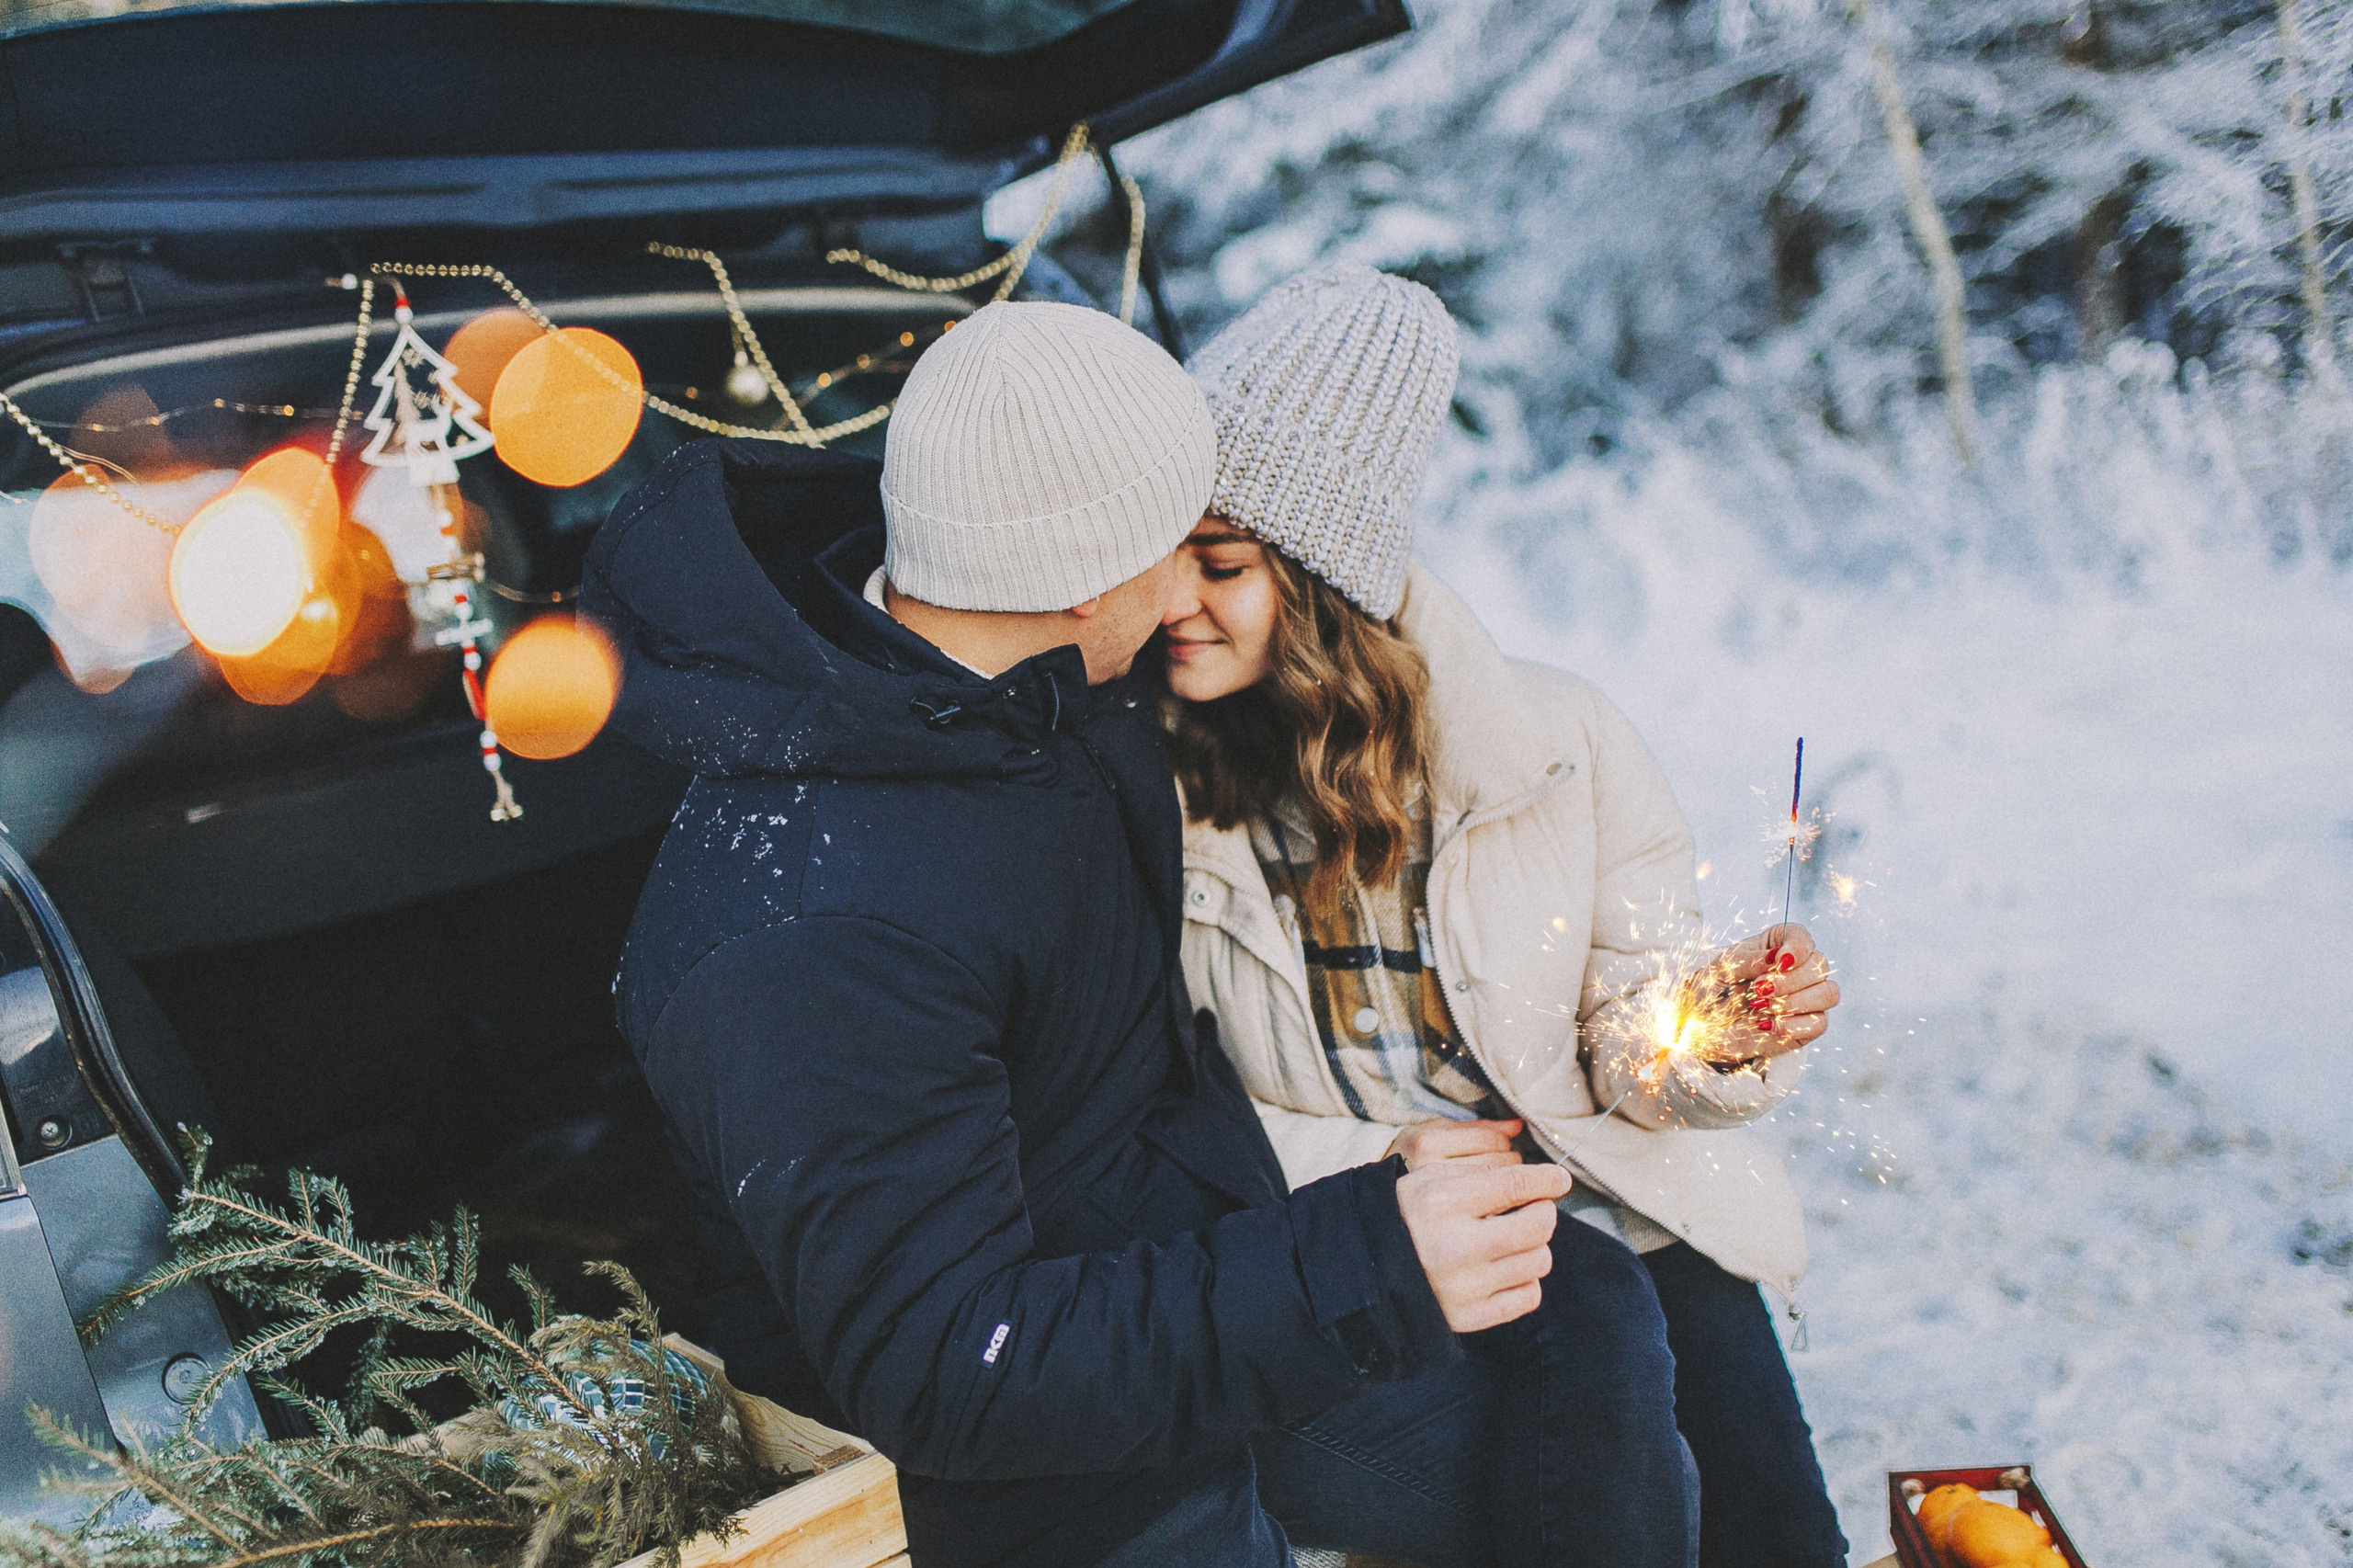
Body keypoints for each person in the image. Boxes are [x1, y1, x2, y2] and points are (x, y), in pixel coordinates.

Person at [581, 300, 1574, 1568]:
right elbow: (953, 1369)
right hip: (1041, 1486)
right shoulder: (817, 934)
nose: (1190, 590)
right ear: (1092, 576)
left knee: (1597, 1335)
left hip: (1185, 1298)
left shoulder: (1023, 674)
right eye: (1180, 545)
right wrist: (1356, 1267)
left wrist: (1367, 1174)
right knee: (1539, 1455)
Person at [1162, 264, 1851, 1568]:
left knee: (1777, 1528)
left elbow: (1623, 1039)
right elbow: (1164, 1106)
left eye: (1223, 563)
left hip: (1611, 1200)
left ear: (1323, 580)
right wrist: (1385, 1163)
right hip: (1375, 1233)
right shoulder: (1156, 790)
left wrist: (1705, 1035)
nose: (1174, 599)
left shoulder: (1553, 745)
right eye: (1166, 556)